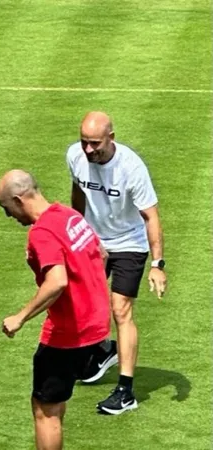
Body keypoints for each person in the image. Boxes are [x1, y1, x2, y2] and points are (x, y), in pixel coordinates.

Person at [0, 170, 110, 450]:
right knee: (56, 404)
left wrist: (19, 317)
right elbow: (102, 254)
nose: (8, 216)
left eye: (6, 208)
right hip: (95, 324)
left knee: (44, 411)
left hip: (67, 334)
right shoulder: (69, 215)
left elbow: (56, 281)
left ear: (18, 200)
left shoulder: (42, 232)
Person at [67, 111, 166, 415]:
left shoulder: (131, 167)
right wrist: (78, 233)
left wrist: (157, 264)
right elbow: (78, 192)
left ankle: (125, 391)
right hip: (94, 240)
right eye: (84, 142)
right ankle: (102, 350)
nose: (88, 149)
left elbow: (151, 216)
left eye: (94, 143)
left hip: (128, 243)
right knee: (81, 303)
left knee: (120, 309)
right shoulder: (75, 155)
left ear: (111, 138)